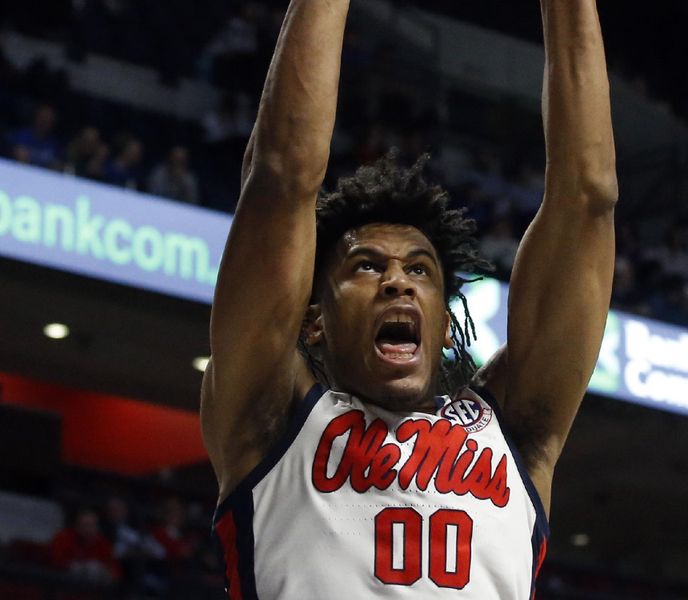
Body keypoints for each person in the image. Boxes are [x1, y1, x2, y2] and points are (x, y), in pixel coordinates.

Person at [202, 1, 616, 599]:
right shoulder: (271, 418)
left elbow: (589, 198)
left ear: (447, 325)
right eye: (367, 266)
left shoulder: (512, 433)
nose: (397, 282)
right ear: (314, 322)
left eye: (419, 270)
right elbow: (282, 176)